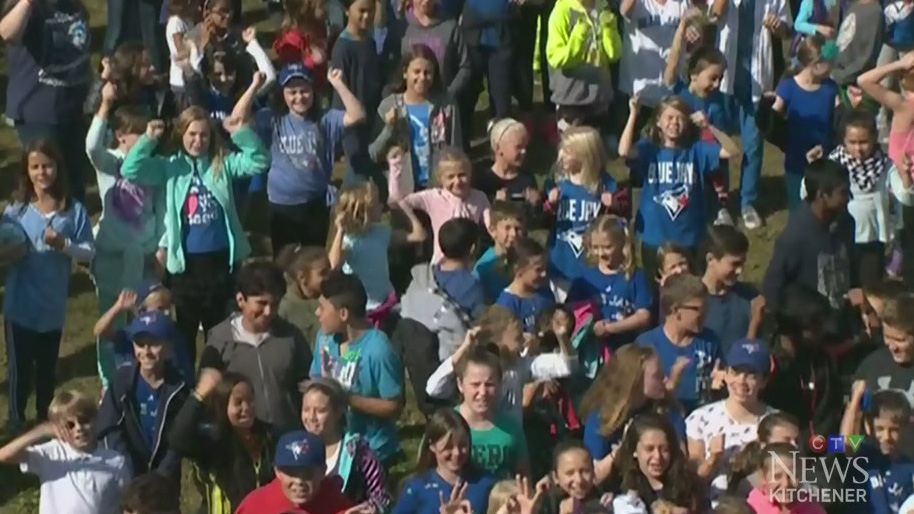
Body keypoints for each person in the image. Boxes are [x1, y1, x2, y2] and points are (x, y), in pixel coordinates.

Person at [119, 107, 270, 364]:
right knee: (184, 333)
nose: (198, 141)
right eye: (192, 134)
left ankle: (220, 382)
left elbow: (260, 161)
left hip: (221, 261)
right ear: (181, 134)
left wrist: (240, 133)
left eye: (203, 135)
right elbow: (131, 170)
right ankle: (186, 387)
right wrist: (149, 139)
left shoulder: (222, 163)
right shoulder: (170, 167)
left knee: (220, 330)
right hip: (185, 264)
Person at [2, 140, 95, 430]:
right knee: (20, 371)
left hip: (51, 307)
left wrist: (64, 245)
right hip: (19, 307)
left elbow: (89, 253)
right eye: (35, 167)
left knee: (46, 371)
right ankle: (16, 420)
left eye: (47, 166)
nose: (42, 173)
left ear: (58, 168)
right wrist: (8, 255)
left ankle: (46, 420)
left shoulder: (73, 211)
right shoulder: (15, 213)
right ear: (27, 171)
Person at [87, 86, 164, 391]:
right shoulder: (112, 162)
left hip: (142, 259)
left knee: (142, 320)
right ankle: (110, 381)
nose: (148, 140)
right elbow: (92, 147)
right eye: (139, 134)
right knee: (111, 317)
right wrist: (104, 105)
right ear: (121, 136)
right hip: (111, 258)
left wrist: (160, 250)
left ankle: (141, 377)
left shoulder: (153, 168)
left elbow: (162, 212)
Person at [619, 95, 740, 281]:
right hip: (655, 238)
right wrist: (633, 114)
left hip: (691, 237)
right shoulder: (649, 150)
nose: (674, 123)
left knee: (691, 290)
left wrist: (708, 127)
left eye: (680, 118)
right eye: (669, 117)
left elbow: (732, 151)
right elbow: (624, 151)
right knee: (657, 293)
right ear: (658, 122)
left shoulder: (697, 151)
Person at [255, 63, 364, 255]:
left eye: (305, 91)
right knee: (284, 259)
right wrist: (255, 87)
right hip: (282, 204)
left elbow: (357, 114)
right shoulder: (273, 119)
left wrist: (338, 84)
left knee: (314, 257)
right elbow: (237, 119)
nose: (299, 97)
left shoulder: (325, 119)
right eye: (293, 92)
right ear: (283, 95)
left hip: (315, 202)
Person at [200, 261, 312, 431]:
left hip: (287, 435)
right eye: (261, 303)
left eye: (274, 305)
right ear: (240, 300)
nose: (268, 312)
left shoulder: (291, 336)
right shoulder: (219, 341)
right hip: (241, 441)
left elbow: (307, 380)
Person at [0, 0, 92, 201]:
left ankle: (76, 229)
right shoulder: (30, 8)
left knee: (75, 183)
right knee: (48, 184)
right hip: (38, 111)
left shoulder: (74, 6)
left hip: (73, 109)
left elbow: (82, 52)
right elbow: (7, 32)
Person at [310, 272, 405, 465]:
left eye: (322, 308)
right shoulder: (324, 339)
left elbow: (394, 407)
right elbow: (316, 378)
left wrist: (347, 399)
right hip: (333, 447)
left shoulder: (378, 349)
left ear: (343, 314)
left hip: (373, 452)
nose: (317, 313)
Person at [762, 159, 861, 339]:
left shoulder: (846, 223)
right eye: (843, 192)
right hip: (809, 332)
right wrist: (781, 333)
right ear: (822, 195)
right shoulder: (794, 237)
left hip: (842, 323)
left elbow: (852, 267)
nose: (850, 197)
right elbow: (773, 287)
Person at [0, 390, 130, 514]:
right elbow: (4, 455)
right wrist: (41, 431)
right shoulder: (51, 454)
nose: (78, 428)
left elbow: (126, 503)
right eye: (70, 425)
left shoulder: (115, 461)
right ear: (57, 428)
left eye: (84, 420)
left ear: (95, 420)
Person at [169, 369, 276, 514]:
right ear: (222, 405)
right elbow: (177, 439)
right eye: (238, 403)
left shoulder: (268, 436)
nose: (246, 408)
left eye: (250, 400)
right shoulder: (211, 441)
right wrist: (199, 395)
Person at [97, 310, 189, 480]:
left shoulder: (179, 388)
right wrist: (124, 465)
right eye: (140, 344)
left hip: (165, 478)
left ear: (169, 347)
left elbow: (180, 437)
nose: (146, 351)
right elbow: (108, 425)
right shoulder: (122, 381)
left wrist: (161, 474)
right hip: (125, 472)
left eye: (154, 343)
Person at [686, 340, 777, 505]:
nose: (741, 381)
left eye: (751, 374)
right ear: (726, 374)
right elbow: (691, 483)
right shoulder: (700, 418)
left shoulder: (776, 424)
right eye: (736, 372)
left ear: (764, 381)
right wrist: (713, 459)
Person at [581, 344, 686, 483]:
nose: (665, 380)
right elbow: (593, 477)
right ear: (635, 380)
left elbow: (683, 460)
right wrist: (622, 450)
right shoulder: (602, 416)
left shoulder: (668, 411)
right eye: (657, 376)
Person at [329, 182, 426, 329]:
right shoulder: (349, 241)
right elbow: (334, 264)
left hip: (387, 300)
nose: (382, 206)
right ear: (364, 211)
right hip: (365, 308)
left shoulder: (381, 232)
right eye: (377, 204)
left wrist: (405, 208)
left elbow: (419, 236)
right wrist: (340, 231)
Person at [546, 126, 623, 293]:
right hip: (561, 262)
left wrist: (614, 205)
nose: (561, 156)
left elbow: (621, 221)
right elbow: (541, 218)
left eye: (567, 151)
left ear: (584, 154)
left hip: (594, 264)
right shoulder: (558, 182)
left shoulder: (605, 184)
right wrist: (550, 204)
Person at [635, 272, 722, 414]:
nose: (706, 314)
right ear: (676, 310)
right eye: (699, 309)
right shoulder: (647, 344)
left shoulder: (710, 341)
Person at [567, 215, 653, 353]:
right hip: (590, 349)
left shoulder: (634, 275)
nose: (601, 253)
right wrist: (589, 325)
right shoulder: (586, 274)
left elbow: (644, 316)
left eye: (607, 247)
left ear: (621, 243)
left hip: (624, 349)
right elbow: (570, 308)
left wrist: (612, 328)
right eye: (595, 247)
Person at [301, 378, 391, 509]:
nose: (311, 417)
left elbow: (382, 497)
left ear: (338, 412)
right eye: (306, 409)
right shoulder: (295, 450)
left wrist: (368, 510)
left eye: (320, 410)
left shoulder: (358, 452)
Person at [772, 37, 839, 210]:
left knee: (824, 207)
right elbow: (772, 122)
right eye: (829, 63)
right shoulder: (788, 88)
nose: (832, 67)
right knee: (798, 207)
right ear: (815, 65)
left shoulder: (831, 88)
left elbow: (840, 121)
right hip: (796, 159)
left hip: (825, 158)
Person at [234, 430, 372, 514]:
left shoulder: (337, 505)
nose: (299, 481)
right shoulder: (256, 506)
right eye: (291, 473)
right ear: (278, 472)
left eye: (308, 474)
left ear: (323, 471)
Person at [391, 147, 490, 264]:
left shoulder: (479, 197)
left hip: (469, 264)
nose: (457, 181)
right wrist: (395, 168)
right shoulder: (433, 197)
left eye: (462, 175)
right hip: (441, 263)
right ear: (440, 179)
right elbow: (398, 200)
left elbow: (491, 227)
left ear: (470, 174)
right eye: (450, 177)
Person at [393, 408, 498, 514]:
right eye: (448, 447)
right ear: (432, 446)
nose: (457, 452)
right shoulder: (417, 488)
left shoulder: (486, 484)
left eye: (462, 445)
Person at [545, 0, 621, 132]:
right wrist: (580, 35)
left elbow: (614, 55)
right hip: (571, 99)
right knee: (571, 149)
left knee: (594, 150)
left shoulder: (603, 9)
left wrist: (609, 29)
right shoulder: (562, 11)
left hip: (599, 97)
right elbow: (555, 58)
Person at [854, 293, 914, 460]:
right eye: (888, 337)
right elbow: (854, 425)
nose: (892, 347)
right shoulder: (872, 365)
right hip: (873, 469)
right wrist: (850, 451)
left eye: (900, 340)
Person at [609, 413, 707, 511]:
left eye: (664, 449)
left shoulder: (688, 487)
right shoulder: (621, 488)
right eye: (649, 449)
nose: (658, 456)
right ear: (634, 450)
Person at [842, 383, 914, 514]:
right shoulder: (862, 454)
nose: (886, 437)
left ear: (906, 427)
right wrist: (856, 400)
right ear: (868, 426)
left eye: (894, 430)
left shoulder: (909, 468)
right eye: (880, 429)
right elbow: (844, 443)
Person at [700, 226, 764, 353]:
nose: (740, 270)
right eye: (734, 264)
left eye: (742, 263)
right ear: (710, 259)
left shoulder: (750, 296)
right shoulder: (691, 300)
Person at [744, 443, 826, 514]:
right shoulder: (752, 507)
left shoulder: (811, 509)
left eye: (793, 476)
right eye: (777, 477)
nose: (786, 484)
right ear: (763, 477)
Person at [276, 245, 332, 349]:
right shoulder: (284, 310)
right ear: (302, 277)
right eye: (323, 273)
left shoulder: (331, 302)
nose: (328, 277)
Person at [496, 238, 556, 334]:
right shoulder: (507, 304)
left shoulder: (545, 293)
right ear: (518, 269)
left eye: (545, 268)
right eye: (538, 270)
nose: (544, 274)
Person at [475, 201, 525, 302]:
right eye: (507, 228)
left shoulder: (524, 260)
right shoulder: (484, 267)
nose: (513, 234)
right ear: (493, 231)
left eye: (517, 228)